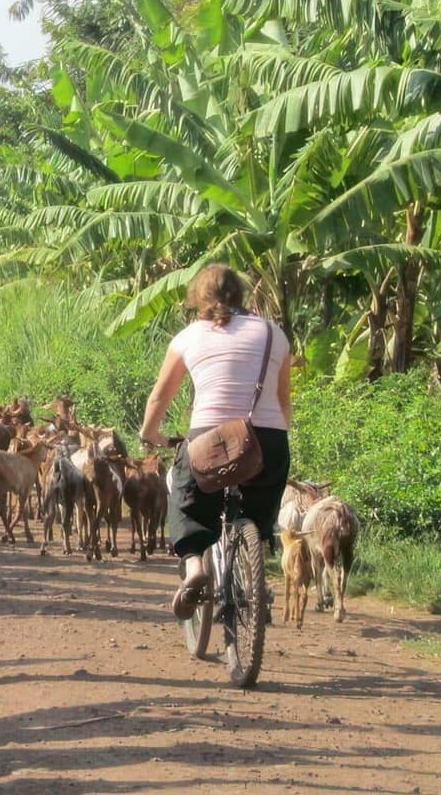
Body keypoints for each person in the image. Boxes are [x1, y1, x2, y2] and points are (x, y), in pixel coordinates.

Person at [137, 263, 294, 619]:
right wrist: (273, 443)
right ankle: (256, 568)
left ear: (199, 298)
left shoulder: (189, 337)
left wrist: (149, 433)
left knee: (185, 492)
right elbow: (284, 401)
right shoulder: (275, 334)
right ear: (241, 294)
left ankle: (194, 567)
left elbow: (159, 397)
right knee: (260, 507)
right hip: (267, 438)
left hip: (210, 438)